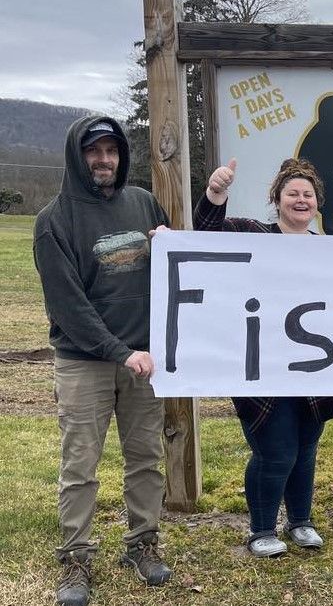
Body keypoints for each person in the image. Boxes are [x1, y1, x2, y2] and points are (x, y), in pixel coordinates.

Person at [33, 116, 173, 606]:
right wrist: (120, 351)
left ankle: (142, 544)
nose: (104, 160)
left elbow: (174, 270)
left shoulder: (142, 203)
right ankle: (75, 559)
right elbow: (68, 307)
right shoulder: (54, 220)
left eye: (112, 151)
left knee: (147, 459)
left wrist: (166, 247)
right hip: (85, 362)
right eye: (95, 152)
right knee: (80, 465)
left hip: (144, 362)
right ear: (78, 155)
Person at [195, 157, 333, 557]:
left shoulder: (332, 249)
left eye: (308, 195)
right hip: (262, 369)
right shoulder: (253, 234)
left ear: (317, 203)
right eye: (292, 193)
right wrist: (216, 191)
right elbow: (207, 232)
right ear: (277, 199)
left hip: (316, 369)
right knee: (276, 451)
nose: (301, 200)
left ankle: (300, 521)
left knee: (305, 449)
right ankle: (261, 529)